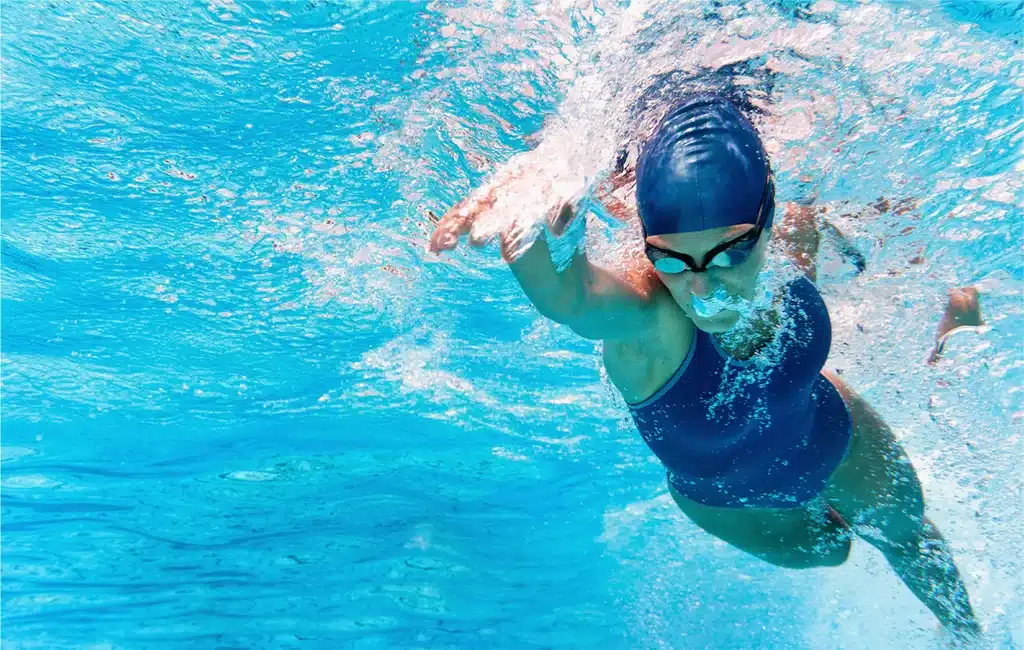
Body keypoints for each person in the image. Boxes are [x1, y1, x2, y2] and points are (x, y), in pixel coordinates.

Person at [429, 93, 981, 638]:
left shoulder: (788, 238)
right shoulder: (654, 321)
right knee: (832, 550)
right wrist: (535, 222)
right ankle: (952, 328)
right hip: (733, 500)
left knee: (907, 537)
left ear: (767, 222)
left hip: (830, 431)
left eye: (732, 253)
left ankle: (972, 639)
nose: (700, 286)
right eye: (670, 257)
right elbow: (571, 297)